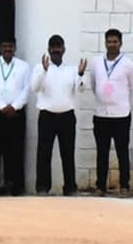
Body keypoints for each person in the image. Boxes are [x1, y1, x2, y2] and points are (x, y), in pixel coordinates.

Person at [30, 35, 85, 196]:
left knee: (68, 153)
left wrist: (81, 74)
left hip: (67, 116)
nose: (56, 50)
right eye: (53, 47)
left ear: (64, 49)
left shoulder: (72, 69)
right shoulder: (40, 68)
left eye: (58, 47)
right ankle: (42, 188)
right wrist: (44, 71)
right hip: (47, 116)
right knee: (44, 153)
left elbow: (81, 90)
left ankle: (70, 187)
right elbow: (34, 87)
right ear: (48, 50)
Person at [84, 28, 133, 196]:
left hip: (121, 114)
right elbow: (93, 84)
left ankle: (124, 185)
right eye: (109, 41)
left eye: (115, 42)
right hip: (101, 114)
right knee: (102, 152)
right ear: (104, 42)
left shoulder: (128, 64)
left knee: (122, 151)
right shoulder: (97, 62)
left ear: (120, 43)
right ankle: (100, 186)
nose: (112, 45)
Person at [0, 38, 30, 196]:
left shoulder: (24, 66)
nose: (8, 49)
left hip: (16, 113)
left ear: (15, 48)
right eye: (4, 46)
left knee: (15, 150)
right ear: (0, 48)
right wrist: (2, 106)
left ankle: (15, 186)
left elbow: (26, 90)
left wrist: (14, 106)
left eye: (10, 46)